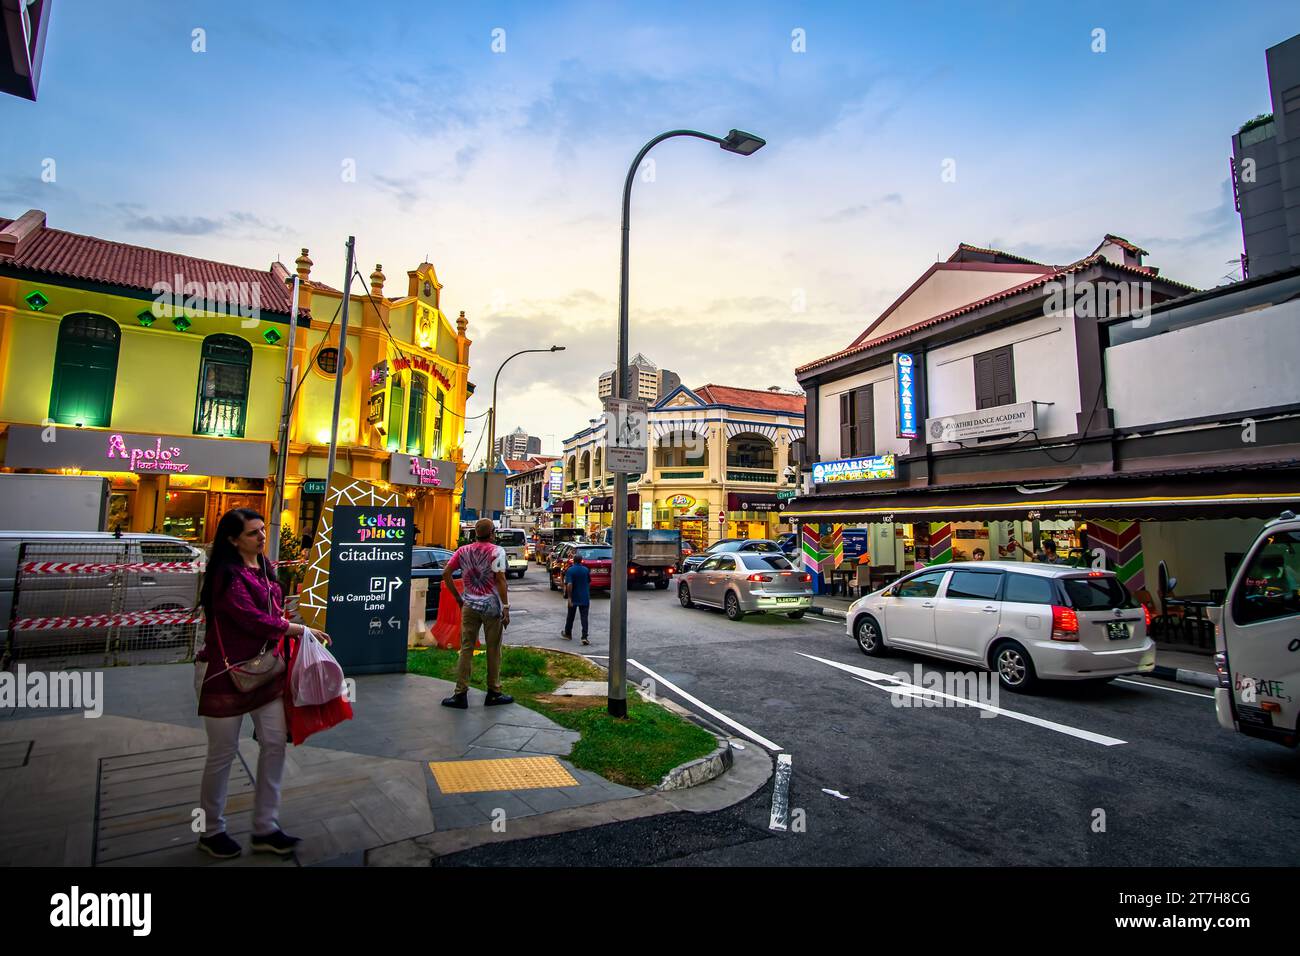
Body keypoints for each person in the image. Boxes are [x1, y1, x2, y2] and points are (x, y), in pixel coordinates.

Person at [195, 508, 330, 860]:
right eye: (253, 533)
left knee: (274, 743)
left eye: (261, 531)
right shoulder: (226, 576)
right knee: (222, 754)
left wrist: (290, 625)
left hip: (266, 671)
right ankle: (211, 831)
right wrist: (299, 629)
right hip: (226, 674)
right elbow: (250, 618)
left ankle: (265, 827)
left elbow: (272, 614)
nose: (261, 537)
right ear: (232, 539)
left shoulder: (266, 568)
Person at [441, 518, 514, 709]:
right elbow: (500, 580)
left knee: (466, 649)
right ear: (492, 533)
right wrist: (505, 607)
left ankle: (460, 693)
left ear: (475, 533)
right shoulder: (496, 551)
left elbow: (446, 572)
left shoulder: (463, 551)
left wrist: (458, 598)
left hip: (469, 605)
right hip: (491, 607)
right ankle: (493, 692)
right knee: (493, 649)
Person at [562, 556, 592, 645]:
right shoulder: (586, 570)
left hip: (574, 597)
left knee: (570, 616)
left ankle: (568, 633)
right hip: (585, 597)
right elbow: (588, 581)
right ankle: (584, 636)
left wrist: (570, 598)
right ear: (581, 561)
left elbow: (569, 584)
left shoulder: (570, 570)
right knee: (584, 617)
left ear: (573, 561)